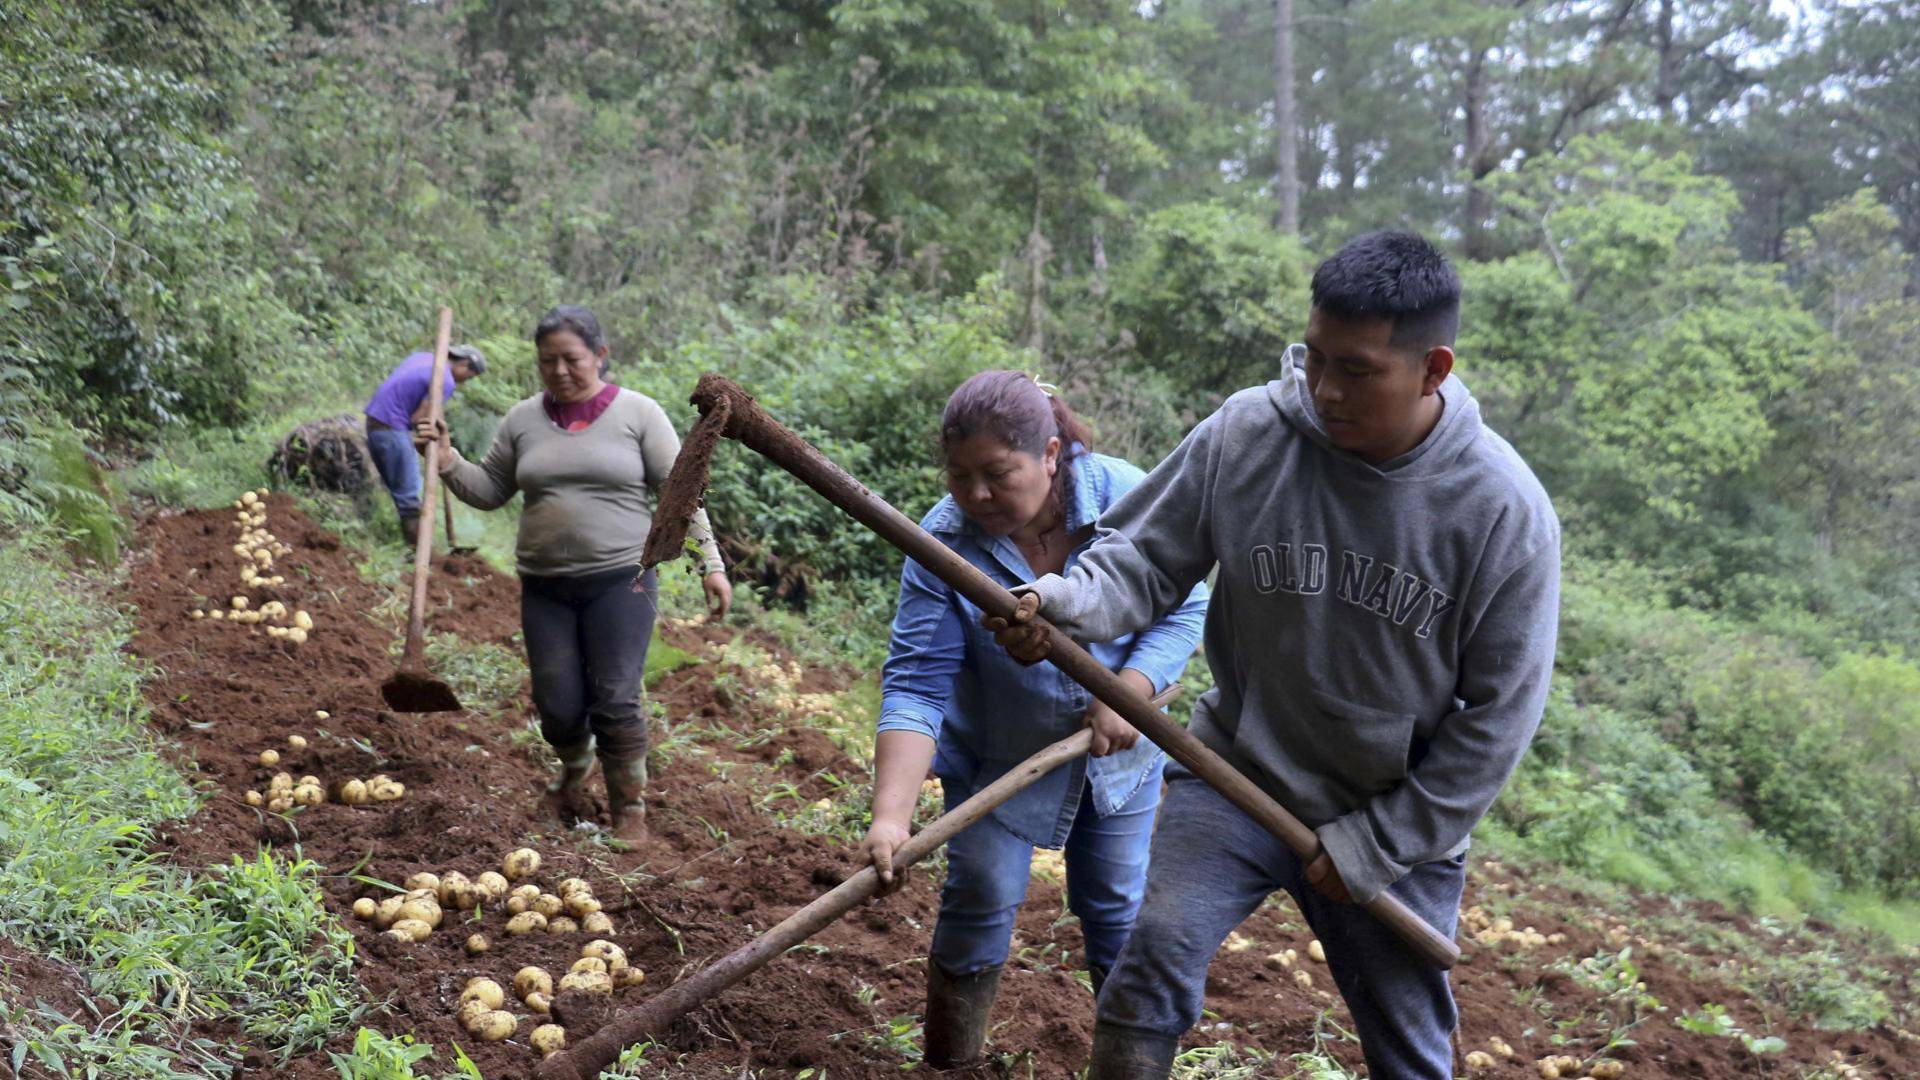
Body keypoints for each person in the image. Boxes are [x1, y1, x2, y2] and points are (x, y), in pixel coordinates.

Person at [988, 231, 1561, 1079]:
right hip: (1237, 777)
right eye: (1314, 358)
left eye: (1358, 370)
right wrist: (1064, 603)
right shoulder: (1250, 434)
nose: (1325, 390)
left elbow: (1499, 721)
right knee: (1151, 954)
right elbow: (1143, 559)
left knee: (1409, 1050)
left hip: (1393, 819)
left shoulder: (1502, 513)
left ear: (1434, 369)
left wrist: (1381, 842)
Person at [859, 370, 1209, 1069]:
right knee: (981, 893)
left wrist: (1128, 688)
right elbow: (918, 682)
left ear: (1051, 455)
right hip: (997, 754)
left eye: (997, 473)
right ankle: (950, 1060)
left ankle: (1130, 1064)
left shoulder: (1126, 496)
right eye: (959, 476)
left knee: (1114, 905)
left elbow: (1184, 602)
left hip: (1118, 756)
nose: (977, 495)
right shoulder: (944, 538)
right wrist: (890, 817)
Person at [419, 305, 732, 843]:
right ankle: (573, 771)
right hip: (545, 586)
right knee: (558, 706)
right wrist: (447, 460)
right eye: (548, 362)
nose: (560, 371)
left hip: (620, 581)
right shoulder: (522, 420)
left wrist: (712, 564)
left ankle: (629, 811)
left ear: (601, 356)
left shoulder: (638, 414)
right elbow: (491, 489)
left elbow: (682, 491)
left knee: (615, 695)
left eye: (572, 359)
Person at [364, 343, 486, 544]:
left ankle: (410, 548)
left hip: (375, 425)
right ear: (464, 365)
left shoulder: (422, 357)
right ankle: (419, 557)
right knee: (411, 500)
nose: (466, 382)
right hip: (393, 429)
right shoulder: (444, 380)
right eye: (470, 377)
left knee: (403, 491)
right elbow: (418, 418)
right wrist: (433, 430)